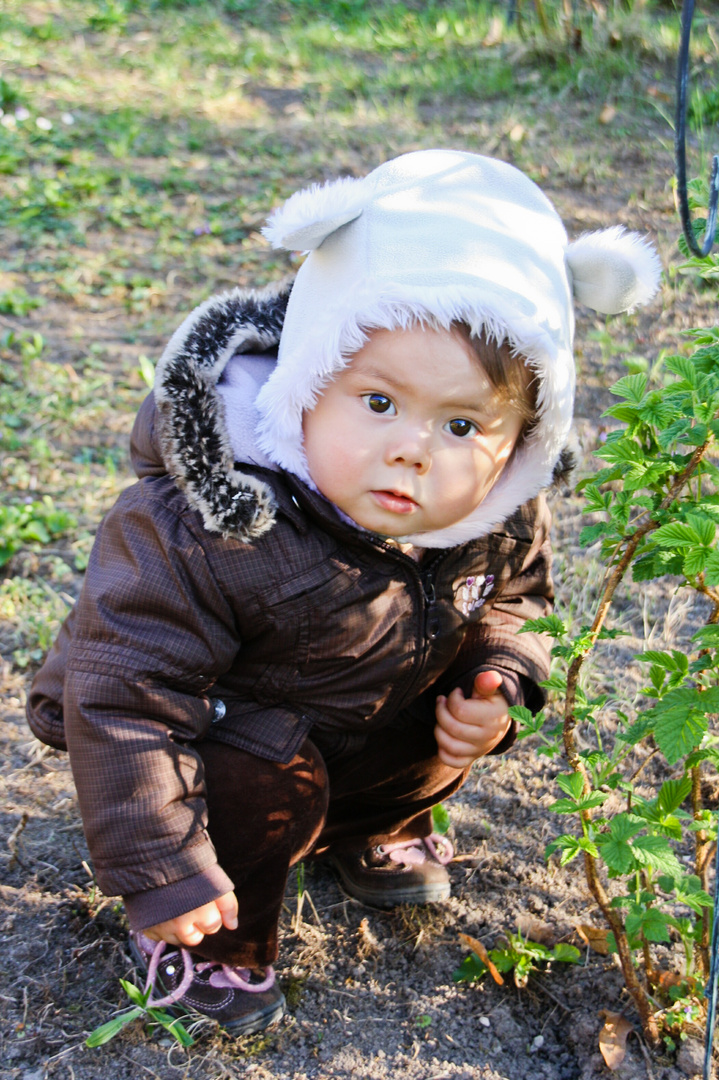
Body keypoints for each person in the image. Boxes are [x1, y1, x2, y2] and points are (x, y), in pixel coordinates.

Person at [27, 149, 660, 1036]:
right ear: (307, 378)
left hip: (362, 721)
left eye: (464, 424)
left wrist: (502, 676)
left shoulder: (497, 513)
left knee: (448, 697)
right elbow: (125, 692)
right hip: (224, 752)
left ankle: (374, 822)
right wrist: (156, 863)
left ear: (522, 436)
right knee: (262, 771)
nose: (413, 449)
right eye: (377, 403)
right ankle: (209, 936)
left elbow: (518, 599)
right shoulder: (212, 523)